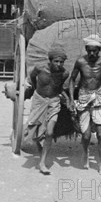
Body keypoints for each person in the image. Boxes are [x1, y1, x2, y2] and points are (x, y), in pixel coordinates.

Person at [69, 34, 101, 174]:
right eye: (89, 50)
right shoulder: (81, 62)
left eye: (95, 51)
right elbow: (72, 80)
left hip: (99, 97)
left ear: (99, 50)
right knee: (86, 135)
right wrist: (71, 99)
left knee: (100, 134)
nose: (92, 53)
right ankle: (85, 152)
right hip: (83, 96)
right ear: (86, 49)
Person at [25, 46, 70, 174]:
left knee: (49, 132)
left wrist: (67, 98)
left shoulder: (64, 74)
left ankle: (42, 162)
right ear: (50, 61)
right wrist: (36, 89)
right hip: (39, 101)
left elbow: (59, 87)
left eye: (61, 62)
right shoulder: (40, 69)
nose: (59, 64)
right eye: (56, 61)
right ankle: (40, 148)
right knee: (35, 131)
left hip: (54, 102)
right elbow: (32, 78)